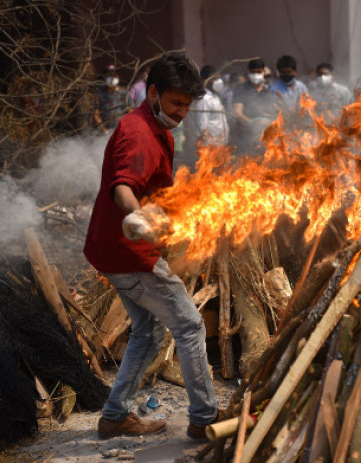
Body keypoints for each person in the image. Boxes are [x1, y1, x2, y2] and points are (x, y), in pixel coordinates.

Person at [84, 52, 221, 439]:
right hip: (129, 255)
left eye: (187, 106)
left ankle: (114, 417)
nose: (182, 113)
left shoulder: (153, 126)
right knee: (190, 326)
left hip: (112, 249)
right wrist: (138, 218)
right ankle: (205, 418)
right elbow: (123, 186)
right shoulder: (139, 133)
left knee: (147, 332)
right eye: (176, 103)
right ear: (154, 92)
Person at [232, 58, 279, 156]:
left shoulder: (268, 91)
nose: (256, 74)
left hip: (265, 138)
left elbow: (277, 111)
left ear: (263, 72)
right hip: (245, 137)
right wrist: (253, 123)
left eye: (259, 72)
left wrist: (269, 122)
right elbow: (237, 112)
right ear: (248, 72)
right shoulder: (241, 89)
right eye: (253, 72)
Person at [189, 65, 229, 147]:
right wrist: (204, 148)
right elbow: (201, 125)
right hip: (210, 146)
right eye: (215, 79)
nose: (219, 81)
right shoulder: (204, 99)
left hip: (219, 143)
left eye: (219, 78)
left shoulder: (214, 96)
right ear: (206, 80)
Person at [93, 64, 129, 134]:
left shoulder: (124, 93)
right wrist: (103, 129)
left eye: (114, 75)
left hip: (121, 131)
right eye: (109, 75)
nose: (112, 78)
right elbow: (95, 113)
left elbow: (131, 111)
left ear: (117, 76)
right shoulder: (99, 94)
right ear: (105, 77)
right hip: (104, 132)